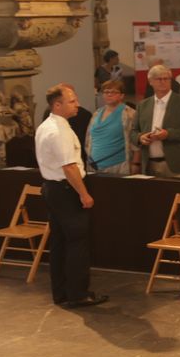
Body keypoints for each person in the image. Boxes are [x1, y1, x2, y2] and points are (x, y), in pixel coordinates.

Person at [37, 84, 107, 308]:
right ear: (57, 105)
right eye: (72, 101)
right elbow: (69, 167)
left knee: (59, 241)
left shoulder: (45, 125)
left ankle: (61, 292)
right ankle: (78, 293)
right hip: (66, 190)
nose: (77, 104)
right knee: (77, 242)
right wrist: (84, 194)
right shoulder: (59, 131)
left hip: (52, 188)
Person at [135, 64, 180, 178]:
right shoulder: (143, 105)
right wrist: (140, 138)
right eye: (159, 79)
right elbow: (133, 131)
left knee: (178, 195)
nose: (163, 82)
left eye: (166, 78)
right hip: (150, 164)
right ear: (151, 81)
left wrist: (168, 134)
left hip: (177, 165)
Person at [85, 79, 139, 175]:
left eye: (113, 92)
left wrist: (135, 164)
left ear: (122, 95)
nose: (109, 94)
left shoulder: (129, 113)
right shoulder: (97, 113)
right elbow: (89, 139)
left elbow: (136, 142)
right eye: (106, 92)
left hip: (117, 164)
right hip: (94, 165)